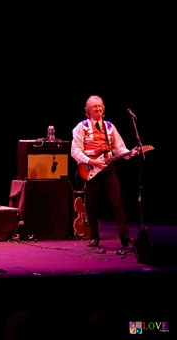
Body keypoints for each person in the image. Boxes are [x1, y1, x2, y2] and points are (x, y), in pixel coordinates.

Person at [71, 95, 137, 249]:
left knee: (118, 202)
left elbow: (119, 148)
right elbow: (75, 151)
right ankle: (94, 236)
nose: (98, 109)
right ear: (88, 110)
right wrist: (92, 161)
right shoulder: (81, 127)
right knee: (91, 204)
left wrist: (129, 153)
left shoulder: (109, 127)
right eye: (95, 107)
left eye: (100, 106)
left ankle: (125, 238)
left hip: (108, 169)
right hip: (91, 170)